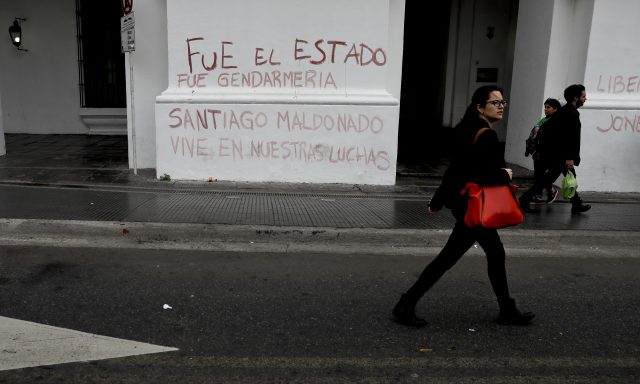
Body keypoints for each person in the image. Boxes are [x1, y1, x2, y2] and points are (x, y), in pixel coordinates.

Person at [392, 85, 535, 327]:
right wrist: (505, 176)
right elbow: (481, 175)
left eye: (503, 102)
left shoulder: (463, 129)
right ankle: (405, 304)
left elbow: (456, 168)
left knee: (492, 253)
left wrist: (438, 199)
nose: (501, 106)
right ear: (480, 107)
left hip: (465, 203)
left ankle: (507, 309)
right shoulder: (486, 135)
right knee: (449, 258)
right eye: (495, 103)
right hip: (476, 207)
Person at [519, 84, 591, 214]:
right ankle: (523, 200)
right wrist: (570, 158)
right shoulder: (571, 113)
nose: (585, 99)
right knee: (547, 180)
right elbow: (572, 138)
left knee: (569, 176)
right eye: (583, 96)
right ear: (575, 97)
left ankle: (576, 204)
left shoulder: (564, 112)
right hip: (559, 155)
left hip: (555, 153)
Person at [524, 98, 561, 204]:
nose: (545, 109)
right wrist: (529, 149)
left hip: (549, 153)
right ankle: (544, 193)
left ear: (555, 109)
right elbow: (533, 134)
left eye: (548, 107)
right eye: (545, 107)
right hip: (538, 152)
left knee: (542, 176)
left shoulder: (557, 121)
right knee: (539, 174)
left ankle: (546, 192)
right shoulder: (543, 120)